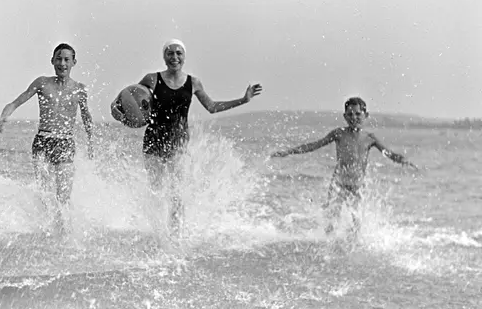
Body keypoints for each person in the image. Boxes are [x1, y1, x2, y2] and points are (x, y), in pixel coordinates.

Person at [111, 39, 263, 239]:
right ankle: (157, 235)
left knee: (176, 194)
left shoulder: (194, 83)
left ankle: (175, 238)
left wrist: (243, 100)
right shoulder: (152, 79)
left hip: (179, 142)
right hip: (153, 140)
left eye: (179, 53)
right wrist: (120, 114)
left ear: (184, 57)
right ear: (164, 57)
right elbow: (127, 101)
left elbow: (212, 107)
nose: (174, 57)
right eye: (170, 53)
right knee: (156, 190)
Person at [270, 97, 417, 237]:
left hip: (357, 185)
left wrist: (403, 160)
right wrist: (288, 152)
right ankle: (327, 244)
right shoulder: (338, 133)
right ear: (345, 116)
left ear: (366, 115)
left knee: (356, 222)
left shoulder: (369, 138)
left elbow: (388, 153)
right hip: (338, 183)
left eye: (358, 114)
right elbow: (314, 145)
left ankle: (352, 253)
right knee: (332, 218)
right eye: (350, 114)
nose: (354, 117)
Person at [0, 43, 94, 231]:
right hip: (42, 141)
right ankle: (47, 229)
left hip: (65, 142)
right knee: (45, 193)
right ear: (52, 61)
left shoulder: (80, 89)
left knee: (63, 196)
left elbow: (86, 117)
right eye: (58, 59)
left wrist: (90, 142)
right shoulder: (42, 83)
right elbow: (18, 100)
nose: (62, 63)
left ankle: (64, 231)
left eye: (67, 59)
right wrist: (4, 116)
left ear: (74, 62)